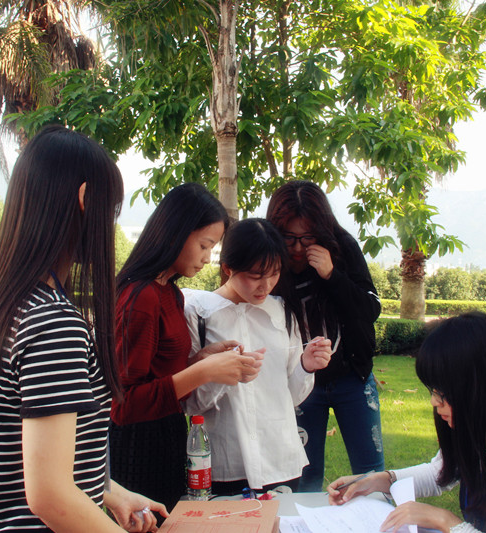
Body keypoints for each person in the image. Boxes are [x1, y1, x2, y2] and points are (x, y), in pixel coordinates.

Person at [0, 125, 168, 533]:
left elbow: (21, 454)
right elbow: (49, 495)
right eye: (110, 210)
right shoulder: (53, 323)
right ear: (85, 199)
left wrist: (110, 492)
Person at [327, 312, 486, 533]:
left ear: (479, 389)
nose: (434, 402)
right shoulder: (483, 439)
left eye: (442, 392)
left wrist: (445, 521)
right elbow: (439, 472)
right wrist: (379, 480)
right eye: (433, 391)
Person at [110, 183, 263, 512]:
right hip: (137, 450)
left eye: (213, 248)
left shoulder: (170, 293)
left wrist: (199, 360)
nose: (208, 258)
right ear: (175, 233)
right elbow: (123, 405)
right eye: (204, 245)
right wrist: (203, 372)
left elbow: (159, 373)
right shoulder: (141, 297)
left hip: (167, 437)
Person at [182, 218, 333, 495]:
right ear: (228, 268)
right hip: (225, 463)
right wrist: (223, 374)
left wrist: (306, 366)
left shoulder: (283, 312)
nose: (266, 285)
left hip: (279, 462)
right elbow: (191, 404)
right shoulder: (199, 314)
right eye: (255, 276)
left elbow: (290, 398)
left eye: (274, 274)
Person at [266, 180, 384, 492]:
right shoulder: (270, 258)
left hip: (353, 378)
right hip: (301, 382)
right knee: (304, 476)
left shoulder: (343, 248)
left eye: (307, 237)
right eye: (288, 237)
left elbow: (370, 308)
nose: (298, 248)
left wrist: (332, 274)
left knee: (371, 473)